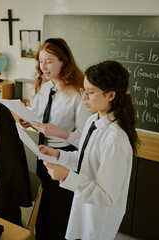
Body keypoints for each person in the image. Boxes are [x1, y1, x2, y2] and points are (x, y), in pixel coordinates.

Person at [40, 60, 140, 240]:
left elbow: (105, 196)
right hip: (83, 206)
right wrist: (58, 155)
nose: (83, 97)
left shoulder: (115, 140)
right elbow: (86, 159)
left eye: (90, 92)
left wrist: (65, 176)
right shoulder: (92, 121)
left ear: (110, 95)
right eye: (83, 90)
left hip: (98, 218)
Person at [19, 38, 90, 240]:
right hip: (43, 152)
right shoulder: (45, 87)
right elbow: (38, 115)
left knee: (60, 210)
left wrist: (57, 131)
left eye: (48, 61)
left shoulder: (78, 93)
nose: (43, 67)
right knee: (43, 205)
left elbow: (84, 138)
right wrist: (29, 120)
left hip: (65, 156)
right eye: (40, 61)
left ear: (63, 61)